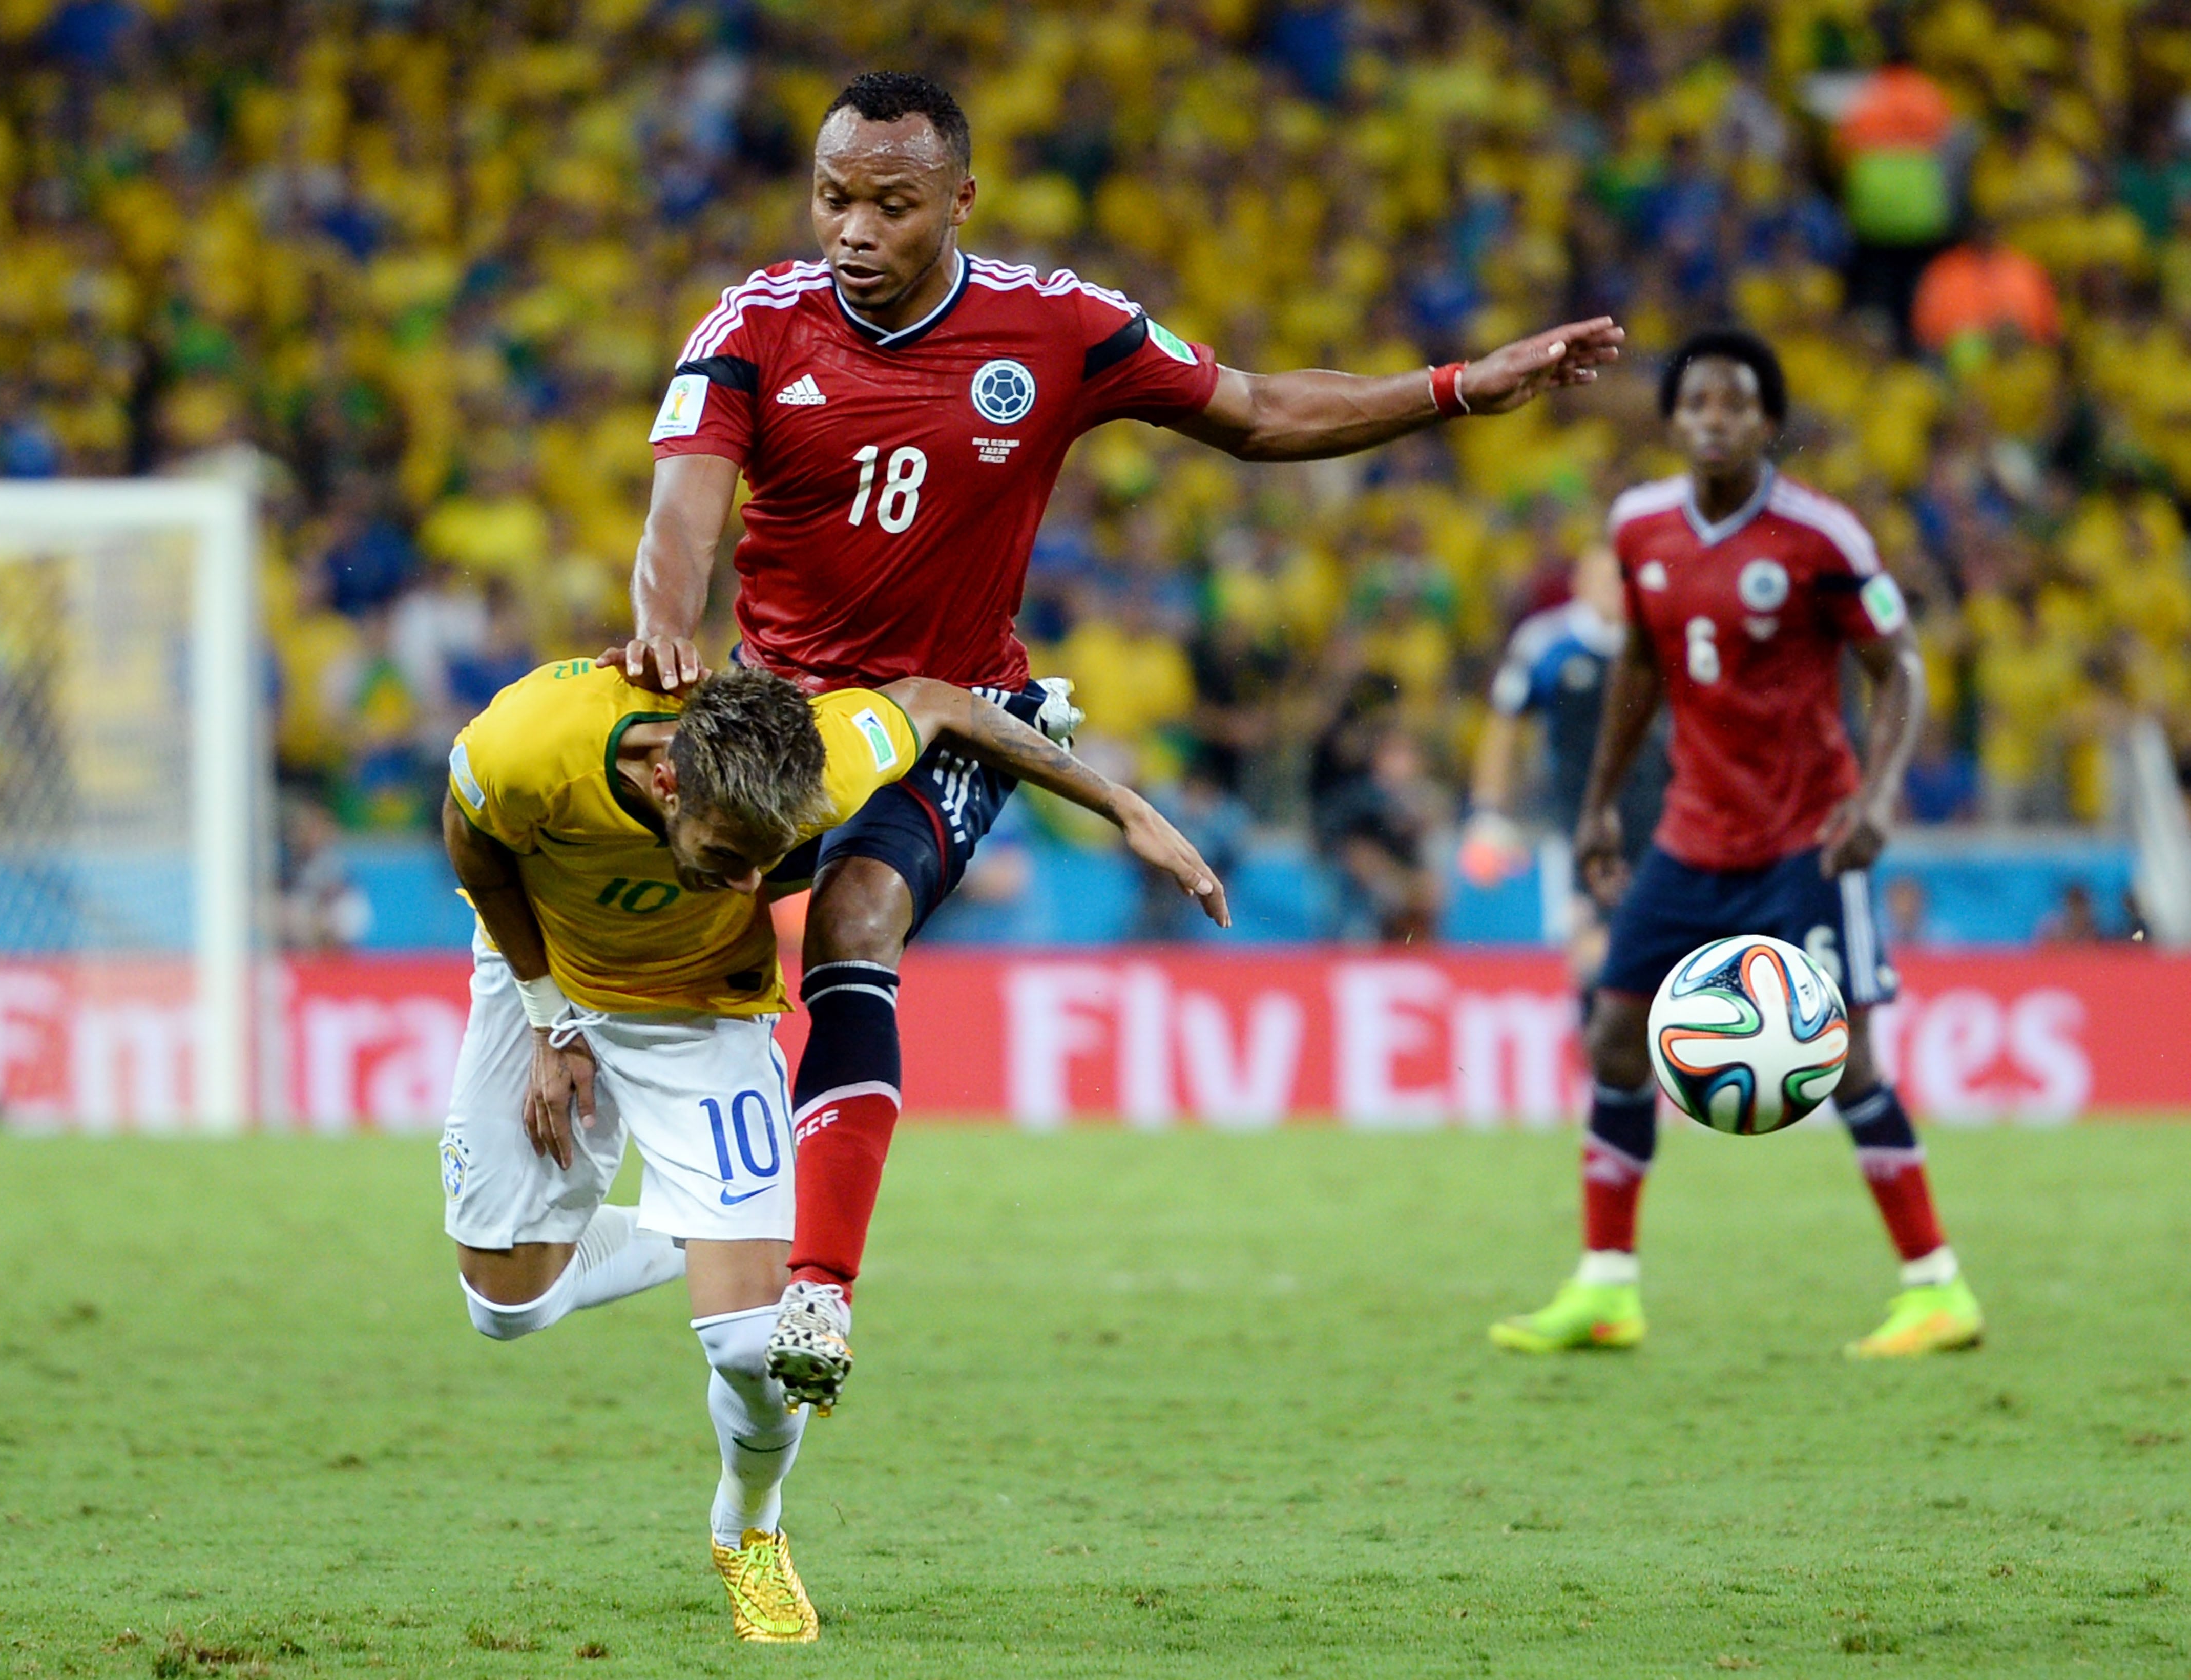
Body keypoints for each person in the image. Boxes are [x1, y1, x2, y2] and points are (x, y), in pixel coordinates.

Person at [608, 70, 1624, 1409]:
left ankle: (821, 1290)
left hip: (955, 719)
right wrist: (666, 633)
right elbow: (679, 520)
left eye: (891, 204)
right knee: (662, 933)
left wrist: (1456, 388)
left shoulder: (1055, 326)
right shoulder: (754, 324)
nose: (852, 228)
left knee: (857, 920)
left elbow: (1257, 412)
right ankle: (597, 1144)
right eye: (832, 196)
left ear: (959, 202)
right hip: (781, 720)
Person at [439, 657, 1224, 1644]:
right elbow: (471, 839)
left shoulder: (828, 754)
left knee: (754, 1348)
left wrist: (1124, 807)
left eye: (765, 862)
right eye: (728, 855)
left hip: (703, 1015)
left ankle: (748, 1529)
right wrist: (547, 1015)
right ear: (668, 781)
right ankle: (710, 1233)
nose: (746, 884)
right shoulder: (533, 741)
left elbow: (940, 703)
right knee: (506, 1307)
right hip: (543, 978)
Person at [1491, 329, 1984, 1361]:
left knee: (1846, 1057)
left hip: (1810, 836)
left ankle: (1936, 1285)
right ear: (1674, 422)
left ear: (1768, 423)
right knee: (1616, 1035)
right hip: (1691, 832)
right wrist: (1597, 806)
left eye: (1736, 403)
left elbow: (1900, 667)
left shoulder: (1821, 537)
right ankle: (1606, 1287)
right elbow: (1640, 666)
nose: (1715, 419)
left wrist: (1878, 797)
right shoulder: (1639, 526)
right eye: (1698, 403)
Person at [1462, 541, 1670, 995]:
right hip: (1576, 822)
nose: (1614, 590)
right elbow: (1505, 728)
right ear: (1579, 584)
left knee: (1659, 950)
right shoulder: (1546, 642)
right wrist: (1488, 812)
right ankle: (1596, 1037)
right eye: (1604, 579)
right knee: (1590, 954)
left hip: (1656, 818)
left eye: (1622, 579)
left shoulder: (1660, 638)